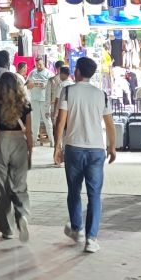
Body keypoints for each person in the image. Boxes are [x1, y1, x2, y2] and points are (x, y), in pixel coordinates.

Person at [53, 56, 115, 253]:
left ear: (77, 71)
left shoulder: (68, 91)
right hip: (96, 150)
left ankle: (77, 228)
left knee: (74, 191)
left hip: (74, 147)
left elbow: (61, 121)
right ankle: (91, 238)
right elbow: (110, 124)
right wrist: (112, 147)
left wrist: (57, 147)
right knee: (94, 194)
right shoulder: (101, 94)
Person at [0, 73, 34, 241]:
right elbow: (29, 131)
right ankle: (22, 215)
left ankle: (7, 229)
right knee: (19, 185)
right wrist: (30, 151)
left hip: (1, 142)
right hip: (19, 143)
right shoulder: (25, 104)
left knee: (3, 187)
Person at [27, 54, 53, 145]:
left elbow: (52, 86)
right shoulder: (32, 73)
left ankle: (52, 140)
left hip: (45, 100)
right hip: (34, 99)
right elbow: (27, 85)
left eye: (40, 65)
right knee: (35, 121)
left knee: (47, 120)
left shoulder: (49, 73)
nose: (38, 66)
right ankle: (34, 140)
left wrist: (43, 85)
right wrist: (32, 85)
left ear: (44, 64)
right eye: (37, 65)